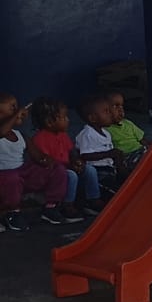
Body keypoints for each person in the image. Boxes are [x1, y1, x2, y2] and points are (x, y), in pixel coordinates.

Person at [0, 94, 72, 230]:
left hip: (21, 175)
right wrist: (16, 115)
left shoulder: (21, 135)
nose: (18, 110)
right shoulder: (1, 132)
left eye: (17, 106)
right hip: (5, 177)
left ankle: (50, 207)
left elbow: (38, 156)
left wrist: (47, 160)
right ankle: (12, 213)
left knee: (58, 169)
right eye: (12, 107)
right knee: (12, 178)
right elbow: (2, 131)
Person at [30, 97, 88, 220]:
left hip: (66, 167)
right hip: (52, 173)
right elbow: (48, 162)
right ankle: (66, 205)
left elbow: (71, 151)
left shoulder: (63, 135)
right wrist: (70, 166)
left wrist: (76, 161)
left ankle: (90, 200)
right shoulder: (40, 138)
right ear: (49, 122)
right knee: (71, 175)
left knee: (88, 170)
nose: (68, 120)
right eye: (64, 117)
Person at [75, 96, 121, 197]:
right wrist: (108, 154)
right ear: (93, 118)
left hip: (110, 170)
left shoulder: (106, 133)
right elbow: (85, 155)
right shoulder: (87, 134)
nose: (110, 114)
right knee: (116, 193)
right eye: (106, 111)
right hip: (97, 173)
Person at [105, 90, 147, 166]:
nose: (120, 110)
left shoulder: (128, 123)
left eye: (122, 106)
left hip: (141, 150)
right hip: (127, 156)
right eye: (116, 106)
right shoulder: (105, 129)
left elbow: (142, 140)